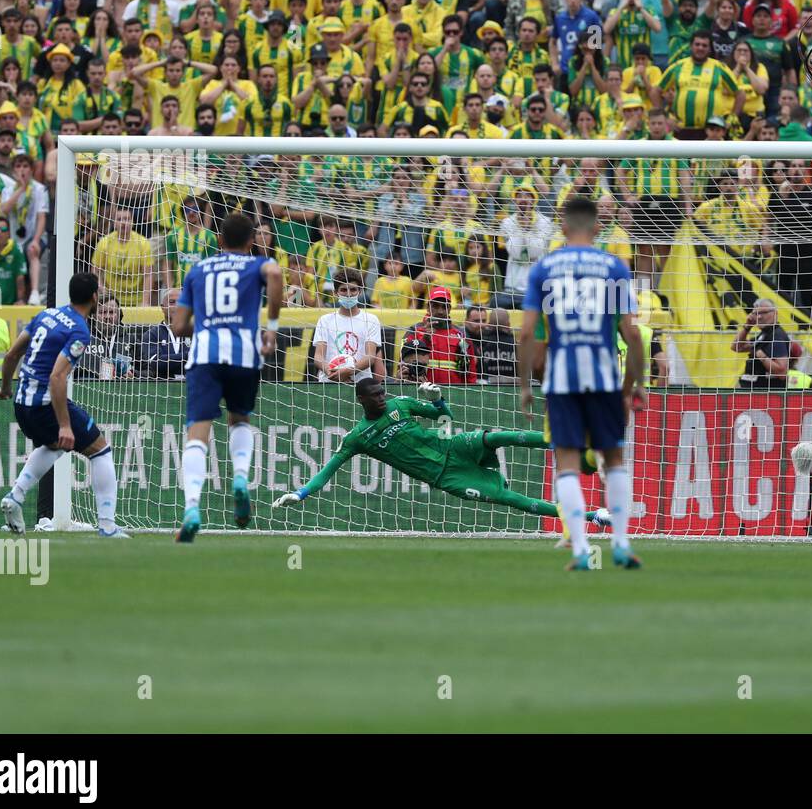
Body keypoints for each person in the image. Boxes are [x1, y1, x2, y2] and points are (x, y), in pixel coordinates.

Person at [273, 377, 612, 526]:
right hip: (444, 475)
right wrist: (301, 494)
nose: (382, 397)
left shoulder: (401, 403)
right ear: (361, 400)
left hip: (450, 444)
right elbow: (328, 469)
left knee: (497, 435)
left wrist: (437, 400)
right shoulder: (358, 437)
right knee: (513, 500)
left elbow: (445, 419)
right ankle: (593, 516)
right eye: (375, 395)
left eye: (382, 391)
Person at [518, 197, 646, 571]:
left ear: (561, 228)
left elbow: (527, 334)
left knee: (567, 463)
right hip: (604, 375)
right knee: (615, 458)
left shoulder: (544, 269)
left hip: (561, 378)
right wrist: (633, 383)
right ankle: (621, 544)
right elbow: (632, 334)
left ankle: (580, 552)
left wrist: (525, 385)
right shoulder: (614, 267)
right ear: (596, 228)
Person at [171, 213, 284, 542]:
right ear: (252, 242)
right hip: (244, 355)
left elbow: (178, 327)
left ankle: (192, 507)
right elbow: (275, 272)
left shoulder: (197, 270)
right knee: (239, 420)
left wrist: (208, 325)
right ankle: (239, 477)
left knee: (197, 433)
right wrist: (272, 331)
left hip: (205, 355)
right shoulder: (255, 265)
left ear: (218, 240)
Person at [0, 272, 129, 538]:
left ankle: (16, 497)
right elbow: (57, 376)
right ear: (94, 298)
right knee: (100, 449)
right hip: (44, 404)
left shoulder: (46, 315)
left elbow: (12, 354)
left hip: (22, 402)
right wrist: (65, 425)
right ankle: (107, 525)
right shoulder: (80, 330)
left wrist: (6, 386)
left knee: (55, 446)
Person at [311, 267, 383, 383]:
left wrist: (350, 371)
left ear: (360, 291)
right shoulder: (324, 320)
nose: (348, 294)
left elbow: (370, 356)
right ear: (335, 293)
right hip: (329, 382)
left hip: (360, 384)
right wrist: (332, 373)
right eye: (343, 290)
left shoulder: (371, 320)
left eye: (353, 290)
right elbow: (318, 357)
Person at [731, 298, 791, 388]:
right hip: (752, 391)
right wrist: (747, 327)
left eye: (764, 313)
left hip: (765, 395)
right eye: (756, 313)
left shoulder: (777, 336)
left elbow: (782, 373)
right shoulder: (765, 334)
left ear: (775, 313)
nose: (759, 317)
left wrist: (762, 357)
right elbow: (736, 347)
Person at [136, 287, 191, 381]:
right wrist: (188, 355)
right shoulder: (151, 334)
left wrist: (167, 360)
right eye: (172, 302)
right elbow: (156, 363)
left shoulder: (193, 332)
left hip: (190, 385)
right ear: (162, 307)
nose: (176, 306)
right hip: (161, 388)